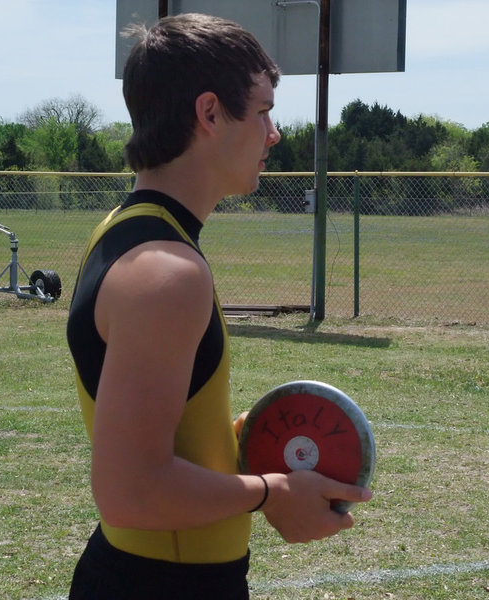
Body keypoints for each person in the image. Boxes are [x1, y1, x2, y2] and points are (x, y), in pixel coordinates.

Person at [66, 13, 372, 599]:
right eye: (262, 112)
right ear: (209, 113)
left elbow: (158, 436)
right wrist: (272, 492)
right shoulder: (166, 272)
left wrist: (230, 443)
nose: (273, 134)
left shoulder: (125, 230)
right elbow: (130, 491)